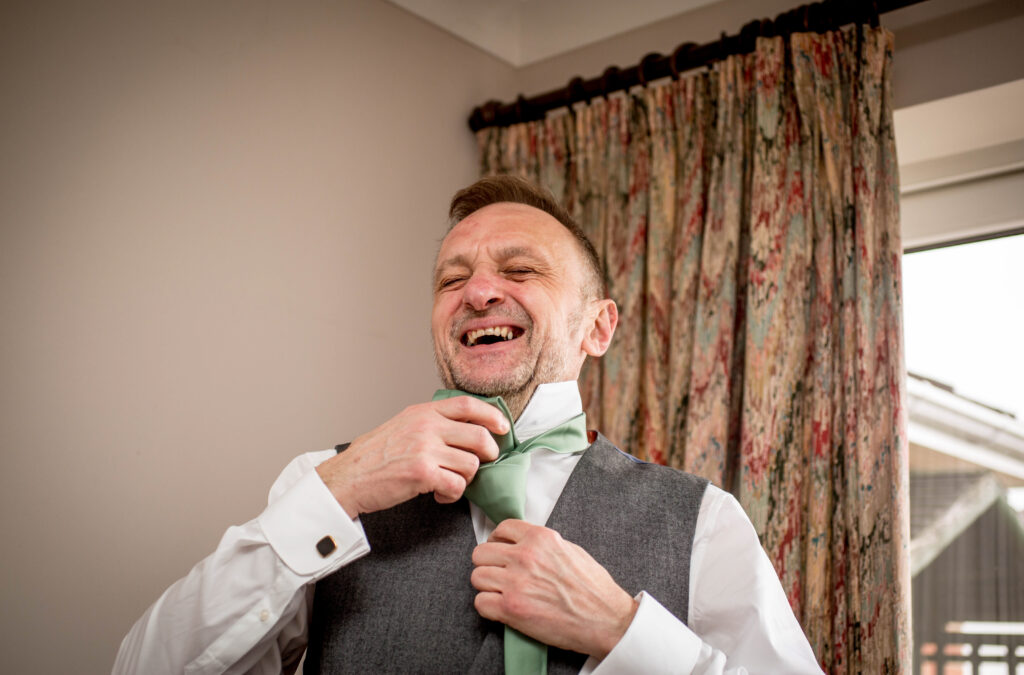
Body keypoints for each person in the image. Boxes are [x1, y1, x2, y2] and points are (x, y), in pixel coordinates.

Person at [114, 176, 823, 674]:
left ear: (598, 326)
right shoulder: (323, 488)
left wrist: (620, 630)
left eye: (520, 269)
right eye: (452, 280)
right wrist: (334, 491)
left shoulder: (701, 519)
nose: (480, 291)